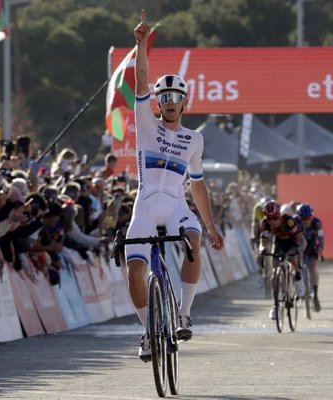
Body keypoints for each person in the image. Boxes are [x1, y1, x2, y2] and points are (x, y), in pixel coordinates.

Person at [129, 9, 224, 361]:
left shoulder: (193, 140)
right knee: (134, 271)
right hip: (146, 203)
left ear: (185, 102)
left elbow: (197, 187)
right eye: (163, 98)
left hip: (175, 206)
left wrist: (212, 226)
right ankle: (147, 333)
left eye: (175, 98)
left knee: (193, 238)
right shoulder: (146, 125)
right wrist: (141, 44)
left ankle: (184, 314)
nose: (169, 103)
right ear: (158, 103)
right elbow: (141, 81)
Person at [259, 200, 306, 320]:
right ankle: (276, 305)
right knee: (275, 270)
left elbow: (301, 240)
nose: (272, 221)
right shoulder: (265, 224)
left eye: (275, 218)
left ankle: (299, 280)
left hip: (292, 241)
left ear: (279, 215)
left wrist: (300, 250)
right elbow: (263, 242)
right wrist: (261, 251)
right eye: (269, 219)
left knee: (291, 258)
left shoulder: (289, 221)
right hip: (279, 242)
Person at [297, 203, 324, 312]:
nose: (306, 221)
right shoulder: (294, 222)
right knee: (295, 265)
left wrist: (321, 247)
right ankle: (298, 288)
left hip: (311, 245)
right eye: (303, 219)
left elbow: (321, 237)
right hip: (299, 245)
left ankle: (316, 296)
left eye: (308, 218)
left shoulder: (316, 222)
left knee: (313, 267)